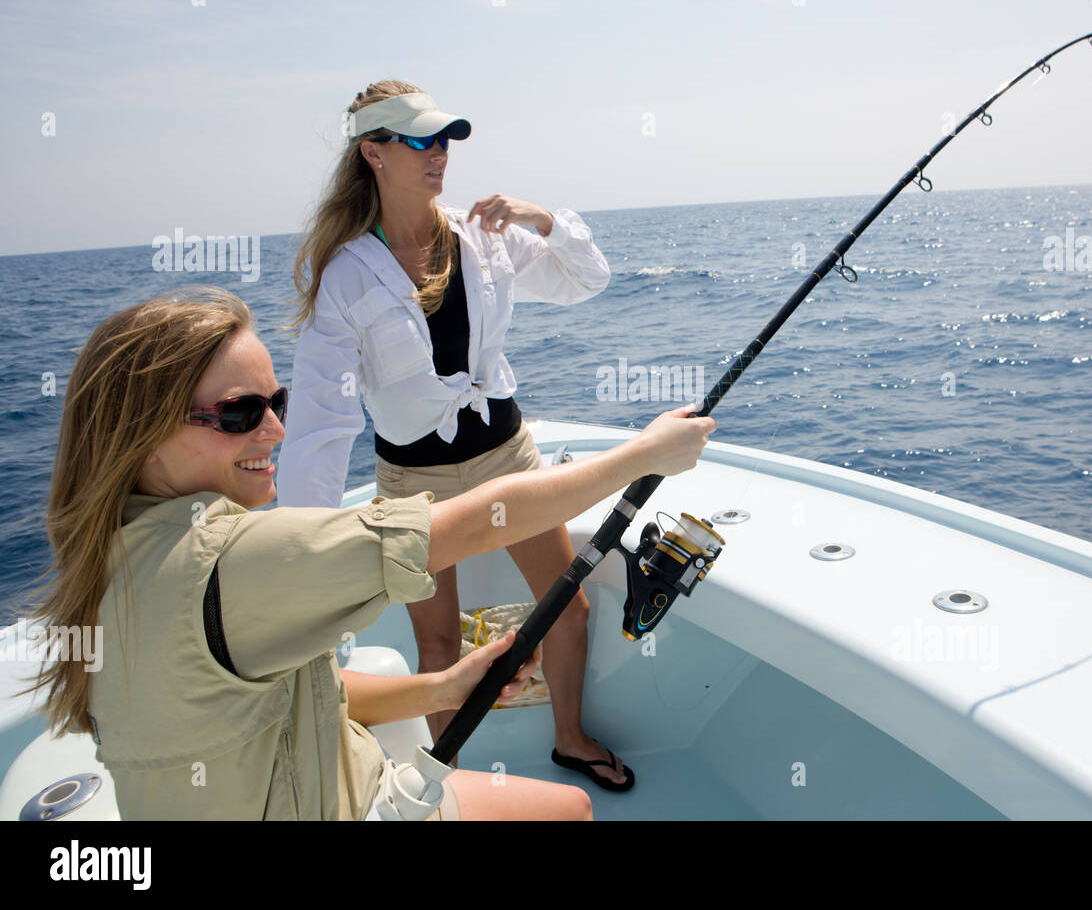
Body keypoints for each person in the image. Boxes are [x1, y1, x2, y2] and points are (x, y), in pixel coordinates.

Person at [23, 288, 715, 819]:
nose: (273, 429)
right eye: (240, 413)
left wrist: (441, 690)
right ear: (141, 430)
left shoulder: (108, 553)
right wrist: (642, 456)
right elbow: (472, 525)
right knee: (571, 809)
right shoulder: (231, 558)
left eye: (279, 402)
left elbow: (292, 690)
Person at [276, 80, 634, 790]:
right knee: (436, 641)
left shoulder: (485, 239)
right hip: (414, 485)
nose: (439, 154)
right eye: (419, 140)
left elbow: (588, 278)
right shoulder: (344, 279)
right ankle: (452, 788)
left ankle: (570, 738)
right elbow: (321, 426)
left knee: (569, 608)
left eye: (445, 139)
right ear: (373, 152)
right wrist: (296, 550)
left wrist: (539, 217)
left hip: (508, 460)